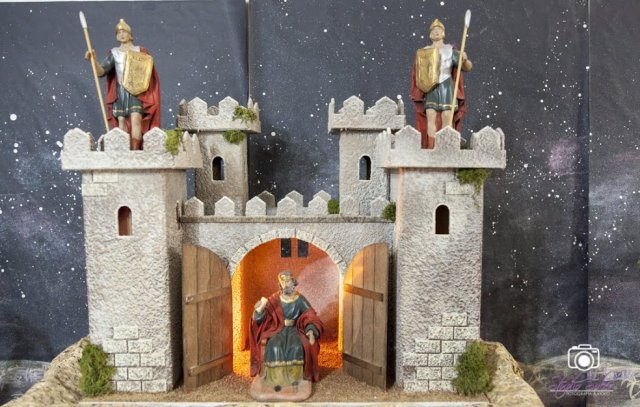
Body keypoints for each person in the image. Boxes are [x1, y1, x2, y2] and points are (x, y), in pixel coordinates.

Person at [85, 19, 160, 150]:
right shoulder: (114, 53)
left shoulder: (140, 51)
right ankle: (123, 151)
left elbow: (148, 73)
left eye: (124, 31)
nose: (121, 34)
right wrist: (93, 60)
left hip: (136, 92)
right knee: (121, 121)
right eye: (118, 32)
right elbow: (101, 72)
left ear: (130, 35)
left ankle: (135, 152)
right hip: (120, 92)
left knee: (136, 119)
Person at [250, 270, 324, 393]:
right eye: (283, 282)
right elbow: (260, 319)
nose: (286, 285)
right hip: (277, 329)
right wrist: (259, 311)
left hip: (295, 330)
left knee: (296, 347)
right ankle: (276, 380)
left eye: (288, 281)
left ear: (293, 282)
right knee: (275, 347)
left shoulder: (299, 299)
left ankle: (295, 379)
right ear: (280, 284)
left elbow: (310, 315)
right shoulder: (274, 299)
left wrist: (311, 330)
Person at [410, 19, 472, 149]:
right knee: (430, 117)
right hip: (431, 88)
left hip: (446, 87)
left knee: (447, 117)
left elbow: (467, 67)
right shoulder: (424, 52)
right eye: (433, 30)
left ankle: (445, 148)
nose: (436, 32)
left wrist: (465, 59)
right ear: (430, 34)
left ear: (443, 33)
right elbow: (419, 73)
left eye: (439, 30)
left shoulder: (450, 50)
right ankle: (431, 147)